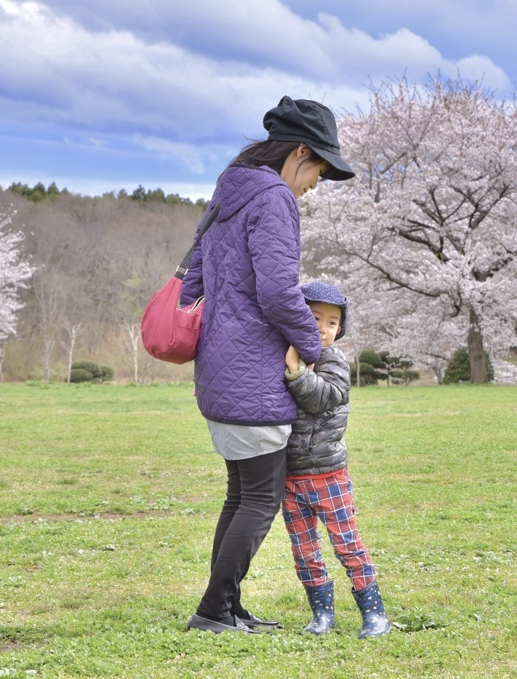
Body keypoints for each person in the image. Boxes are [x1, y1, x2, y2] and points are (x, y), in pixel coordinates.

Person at [181, 97, 355, 635]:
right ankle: (213, 610)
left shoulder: (229, 189)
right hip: (255, 375)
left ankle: (226, 607)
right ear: (300, 152)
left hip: (218, 371)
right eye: (319, 170)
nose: (315, 184)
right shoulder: (275, 198)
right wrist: (318, 350)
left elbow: (194, 284)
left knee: (241, 494)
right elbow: (280, 293)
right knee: (259, 499)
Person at [281, 282, 392, 639]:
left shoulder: (333, 361)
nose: (322, 328)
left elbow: (326, 396)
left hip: (328, 473)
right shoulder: (283, 352)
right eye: (314, 318)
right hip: (289, 475)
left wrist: (297, 373)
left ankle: (374, 613)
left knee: (347, 544)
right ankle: (322, 612)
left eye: (331, 322)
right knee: (305, 550)